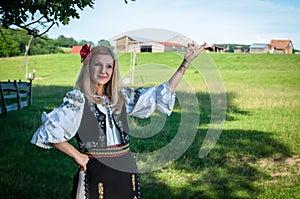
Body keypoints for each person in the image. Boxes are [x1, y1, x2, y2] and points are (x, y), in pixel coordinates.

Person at [31, 41, 205, 199]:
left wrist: (185, 64)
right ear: (88, 66)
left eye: (109, 66)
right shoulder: (78, 99)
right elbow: (47, 130)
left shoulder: (120, 97)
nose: (103, 71)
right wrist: (79, 157)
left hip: (125, 168)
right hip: (97, 170)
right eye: (97, 65)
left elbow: (159, 95)